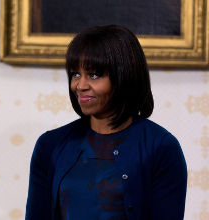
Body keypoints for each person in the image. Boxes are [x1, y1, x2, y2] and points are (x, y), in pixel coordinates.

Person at [26, 25, 187, 220]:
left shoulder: (161, 148)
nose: (80, 85)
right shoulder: (50, 145)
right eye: (76, 74)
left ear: (123, 76)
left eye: (94, 75)